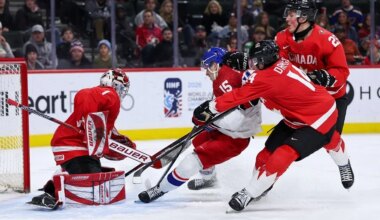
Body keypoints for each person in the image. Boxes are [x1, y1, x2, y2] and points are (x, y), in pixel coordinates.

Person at [193, 40, 344, 211]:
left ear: (264, 61)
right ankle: (261, 187)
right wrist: (229, 57)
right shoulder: (278, 61)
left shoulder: (265, 78)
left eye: (255, 61)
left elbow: (238, 95)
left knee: (283, 154)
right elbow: (258, 66)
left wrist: (210, 108)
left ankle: (248, 193)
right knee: (262, 157)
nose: (252, 64)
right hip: (296, 116)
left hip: (319, 117)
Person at [138, 47, 262, 203]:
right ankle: (209, 179)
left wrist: (209, 121)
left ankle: (160, 189)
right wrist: (209, 121)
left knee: (192, 162)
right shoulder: (225, 76)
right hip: (228, 130)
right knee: (197, 140)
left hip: (235, 138)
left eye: (208, 66)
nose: (206, 72)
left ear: (216, 64)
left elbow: (236, 121)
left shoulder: (225, 80)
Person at [28, 68, 135, 209]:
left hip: (73, 146)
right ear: (114, 85)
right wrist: (88, 121)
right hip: (73, 145)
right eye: (121, 88)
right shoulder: (111, 94)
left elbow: (103, 138)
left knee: (99, 180)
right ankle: (56, 191)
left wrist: (125, 146)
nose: (121, 92)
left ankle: (56, 183)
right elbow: (85, 95)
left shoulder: (104, 104)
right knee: (95, 186)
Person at [275, 0, 354, 190]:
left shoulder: (327, 40)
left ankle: (343, 163)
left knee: (331, 139)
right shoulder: (282, 38)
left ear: (305, 17)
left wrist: (326, 77)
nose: (287, 17)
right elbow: (278, 67)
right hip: (303, 99)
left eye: (292, 14)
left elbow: (342, 72)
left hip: (331, 98)